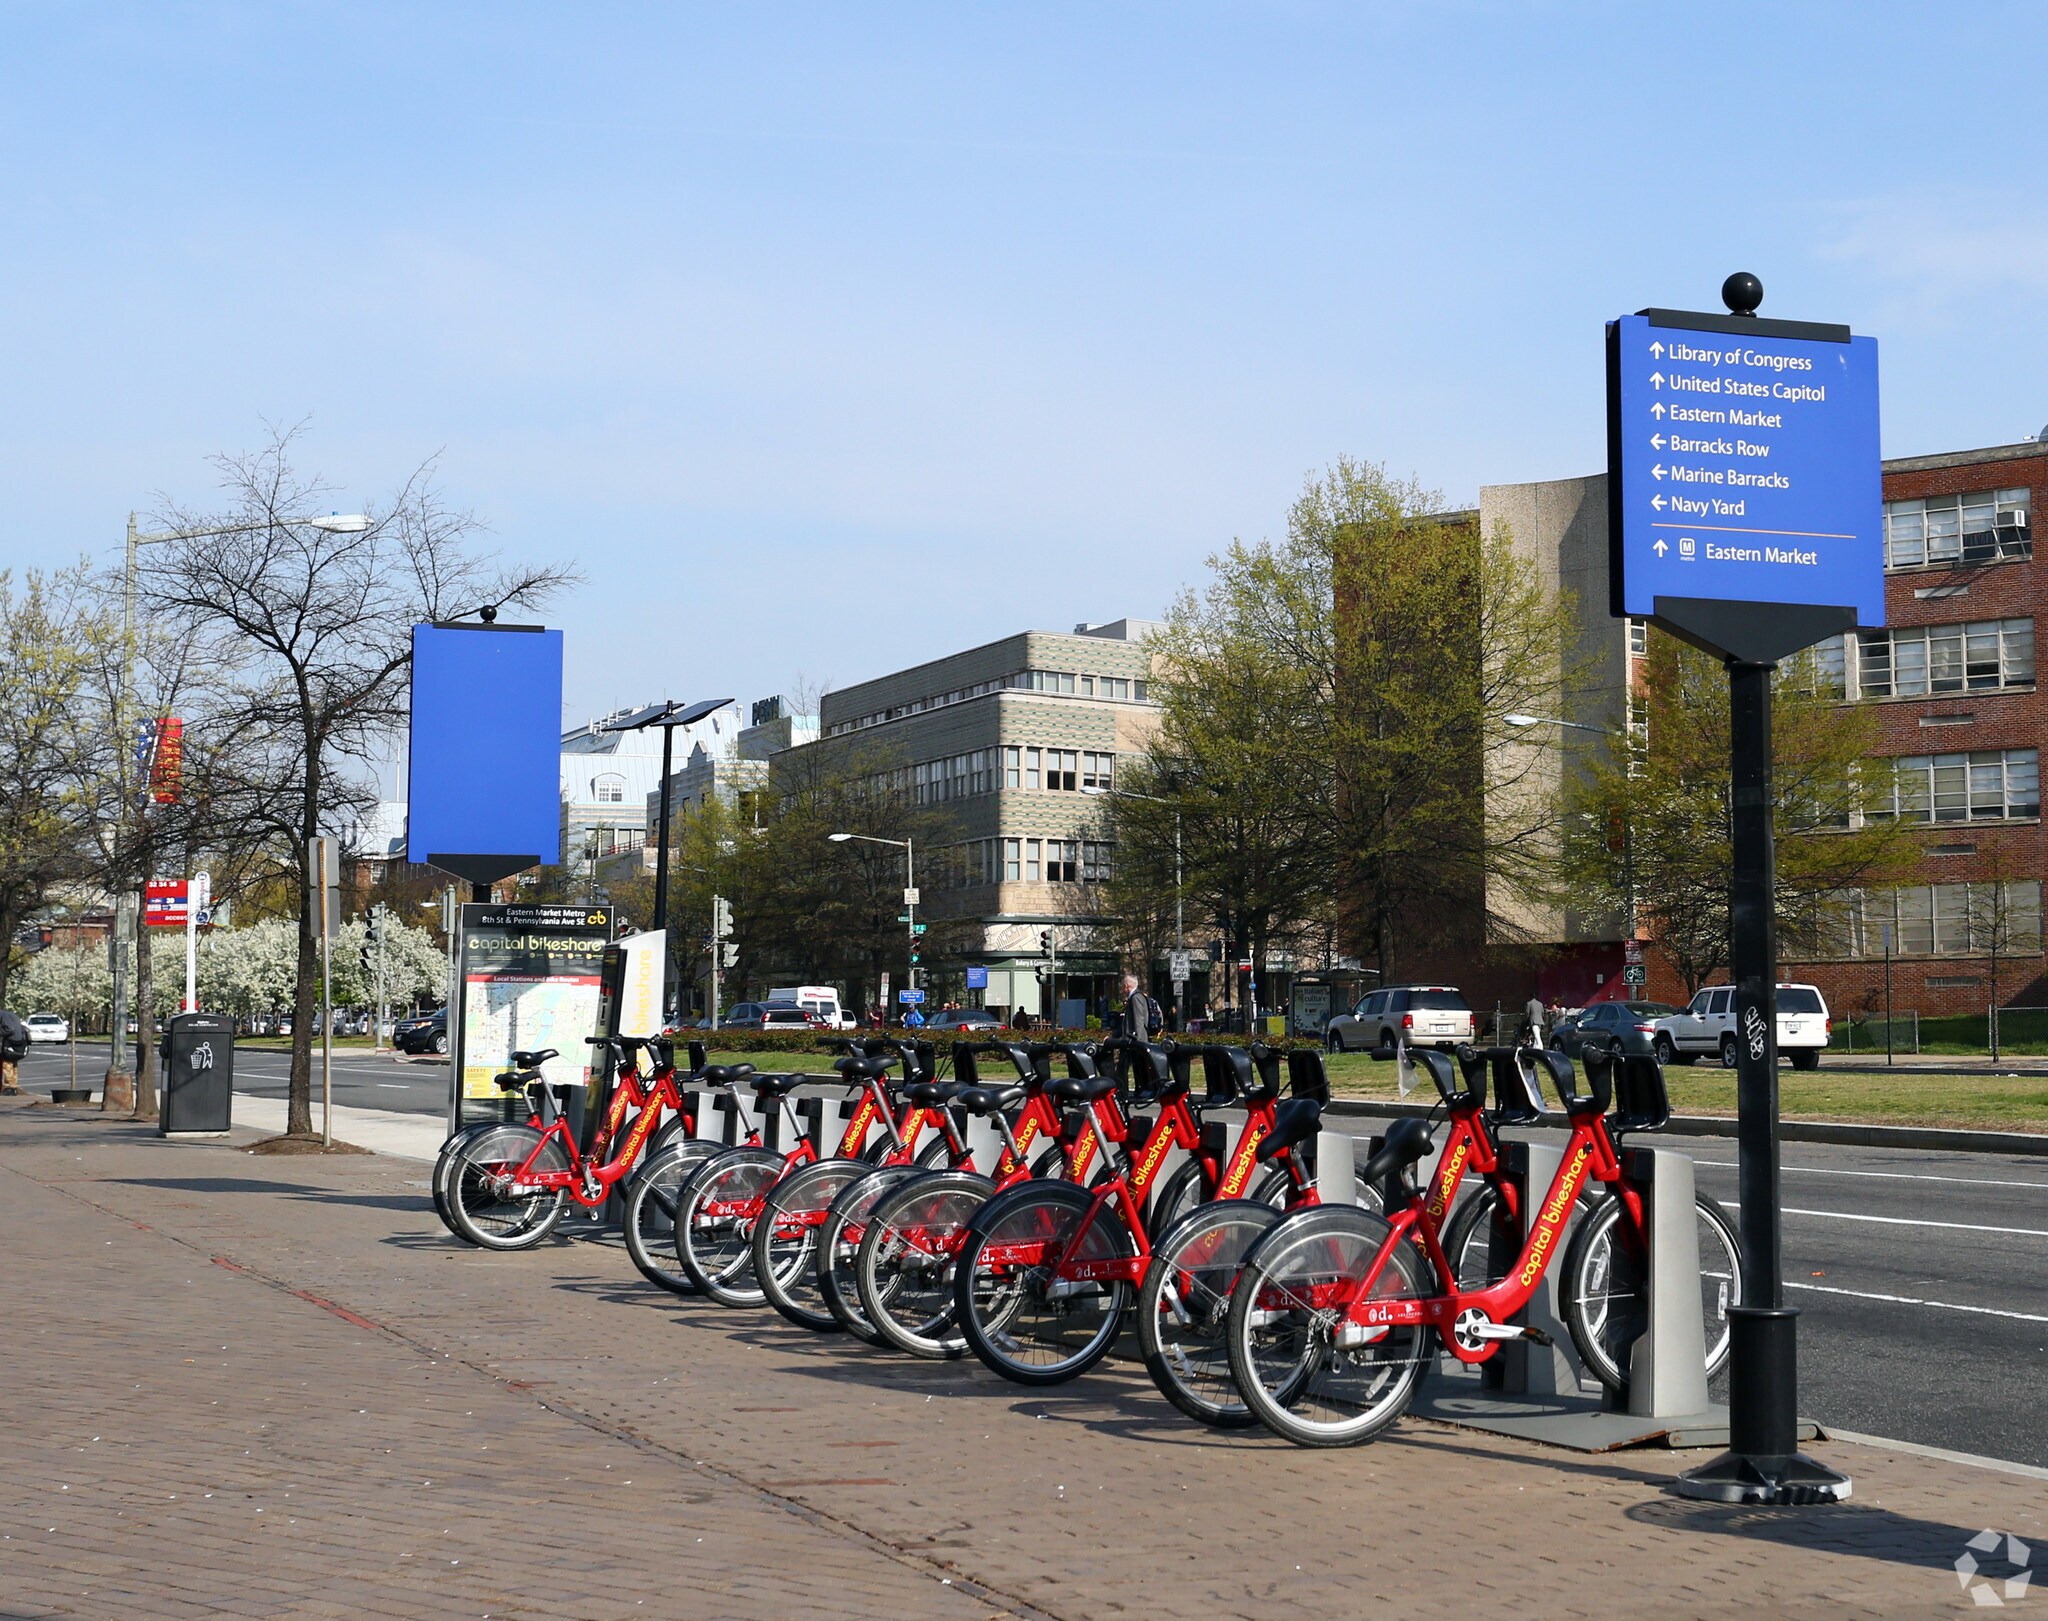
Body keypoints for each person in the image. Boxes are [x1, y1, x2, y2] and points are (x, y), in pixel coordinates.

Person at [1119, 974, 1160, 1042]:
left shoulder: (1135, 998)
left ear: (1126, 985)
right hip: (1134, 1040)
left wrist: (1138, 1041)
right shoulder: (1137, 997)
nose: (1122, 988)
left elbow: (1139, 1020)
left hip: (1135, 1041)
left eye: (1122, 985)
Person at [0, 1008, 28, 1094]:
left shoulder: (3, 1016)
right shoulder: (11, 1015)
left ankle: (9, 1087)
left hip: (11, 1043)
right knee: (14, 1065)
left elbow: (10, 1029)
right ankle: (14, 1085)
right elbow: (22, 1029)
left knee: (7, 1064)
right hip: (19, 1042)